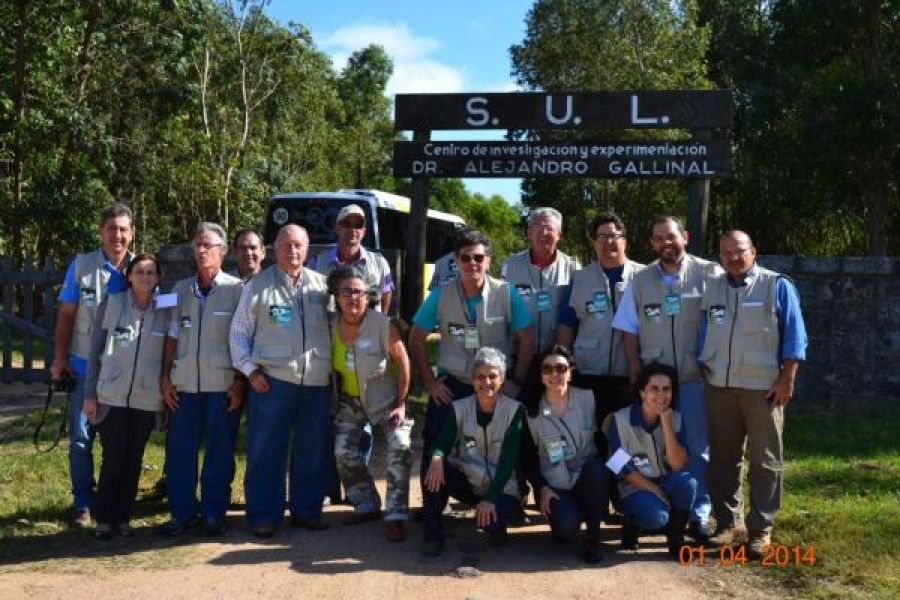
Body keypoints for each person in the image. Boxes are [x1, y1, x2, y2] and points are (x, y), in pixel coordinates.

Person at [699, 230, 807, 558]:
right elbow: (705, 329)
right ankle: (727, 523)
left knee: (765, 461)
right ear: (720, 257)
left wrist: (787, 378)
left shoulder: (777, 285)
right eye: (726, 252)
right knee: (722, 459)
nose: (733, 256)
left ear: (754, 251)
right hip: (720, 388)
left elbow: (795, 336)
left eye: (739, 250)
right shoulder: (712, 287)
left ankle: (761, 529)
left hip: (764, 391)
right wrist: (703, 360)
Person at [611, 215, 718, 541]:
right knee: (638, 445)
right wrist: (634, 374)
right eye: (658, 239)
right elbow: (628, 330)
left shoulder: (709, 274)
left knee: (697, 449)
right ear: (652, 243)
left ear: (684, 236)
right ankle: (634, 502)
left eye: (670, 236)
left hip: (690, 379)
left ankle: (697, 515)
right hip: (653, 384)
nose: (665, 243)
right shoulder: (640, 281)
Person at [229, 224, 332, 538]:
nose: (293, 251)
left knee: (311, 449)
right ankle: (263, 514)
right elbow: (238, 334)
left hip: (315, 383)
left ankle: (306, 510)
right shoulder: (257, 286)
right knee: (265, 451)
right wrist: (251, 372)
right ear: (274, 248)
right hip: (271, 383)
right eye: (286, 245)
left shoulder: (322, 287)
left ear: (307, 248)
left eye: (299, 245)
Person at [408, 230, 533, 481]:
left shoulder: (506, 293)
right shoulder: (441, 294)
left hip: (494, 386)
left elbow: (527, 339)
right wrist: (430, 382)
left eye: (478, 257)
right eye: (465, 258)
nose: (472, 264)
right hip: (454, 384)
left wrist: (516, 381)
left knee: (509, 440)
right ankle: (433, 508)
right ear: (455, 261)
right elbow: (415, 338)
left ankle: (510, 496)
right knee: (435, 438)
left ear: (488, 261)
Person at [50, 203, 134, 528]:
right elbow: (67, 315)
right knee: (82, 439)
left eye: (123, 229)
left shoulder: (140, 268)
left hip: (122, 369)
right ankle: (83, 502)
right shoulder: (82, 265)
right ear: (101, 231)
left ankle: (112, 500)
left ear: (132, 233)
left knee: (117, 441)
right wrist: (59, 359)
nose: (117, 235)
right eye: (111, 228)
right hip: (84, 364)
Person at [159, 223, 245, 536]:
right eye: (197, 245)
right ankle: (182, 513)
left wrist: (239, 381)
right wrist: (165, 379)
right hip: (183, 388)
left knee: (219, 454)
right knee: (180, 452)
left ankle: (213, 513)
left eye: (208, 245)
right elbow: (169, 334)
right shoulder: (178, 291)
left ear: (222, 252)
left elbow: (244, 339)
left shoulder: (237, 290)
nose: (201, 251)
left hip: (222, 387)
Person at [82, 253, 169, 539]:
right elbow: (94, 353)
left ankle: (124, 519)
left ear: (158, 278)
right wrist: (90, 394)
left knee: (134, 459)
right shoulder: (113, 304)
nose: (145, 277)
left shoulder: (166, 308)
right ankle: (104, 519)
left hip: (146, 397)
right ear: (129, 276)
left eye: (151, 272)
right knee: (113, 457)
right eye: (140, 272)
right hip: (111, 396)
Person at [327, 266, 413, 542]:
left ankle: (396, 514)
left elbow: (402, 361)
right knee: (342, 451)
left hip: (385, 400)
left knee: (400, 444)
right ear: (337, 297)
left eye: (358, 292)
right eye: (346, 292)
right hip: (350, 401)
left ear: (368, 297)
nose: (353, 298)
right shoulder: (330, 325)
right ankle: (366, 503)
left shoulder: (382, 324)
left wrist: (401, 403)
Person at [421, 347, 524, 557]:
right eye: (481, 377)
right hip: (471, 482)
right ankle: (433, 536)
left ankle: (496, 522)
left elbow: (507, 462)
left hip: (503, 487)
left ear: (502, 379)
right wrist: (438, 456)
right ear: (473, 380)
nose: (486, 382)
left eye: (493, 376)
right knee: (430, 465)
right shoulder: (459, 407)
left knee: (490, 524)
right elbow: (443, 442)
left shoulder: (515, 411)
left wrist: (491, 498)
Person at [556, 212, 644, 437]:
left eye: (613, 236)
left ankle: (622, 473)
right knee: (590, 435)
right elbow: (566, 326)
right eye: (601, 237)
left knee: (626, 436)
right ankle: (594, 473)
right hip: (587, 373)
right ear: (594, 243)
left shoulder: (644, 276)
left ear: (625, 239)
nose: (608, 242)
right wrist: (562, 365)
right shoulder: (580, 278)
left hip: (629, 374)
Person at [521, 345, 609, 564]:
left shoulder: (590, 399)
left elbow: (610, 440)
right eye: (547, 369)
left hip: (588, 477)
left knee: (598, 471)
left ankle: (594, 534)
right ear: (540, 375)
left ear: (570, 372)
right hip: (555, 483)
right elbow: (528, 457)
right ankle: (568, 517)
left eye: (560, 368)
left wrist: (614, 476)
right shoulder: (529, 410)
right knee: (566, 529)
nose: (554, 374)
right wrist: (541, 487)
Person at [607, 362, 698, 556]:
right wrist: (656, 491)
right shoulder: (620, 419)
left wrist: (666, 425)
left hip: (666, 481)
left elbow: (678, 464)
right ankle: (632, 523)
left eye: (667, 389)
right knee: (657, 517)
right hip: (633, 487)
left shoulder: (676, 419)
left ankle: (676, 538)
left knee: (688, 483)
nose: (661, 395)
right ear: (642, 392)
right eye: (654, 389)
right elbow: (618, 466)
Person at [501, 207, 579, 356]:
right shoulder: (510, 266)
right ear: (529, 233)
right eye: (537, 227)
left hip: (556, 358)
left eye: (549, 228)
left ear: (559, 235)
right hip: (518, 353)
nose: (544, 233)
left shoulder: (573, 268)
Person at [312, 204, 394, 313]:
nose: (352, 230)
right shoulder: (316, 262)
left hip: (368, 328)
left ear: (363, 232)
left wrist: (379, 324)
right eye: (347, 224)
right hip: (328, 328)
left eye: (358, 225)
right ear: (337, 228)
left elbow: (386, 295)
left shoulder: (380, 263)